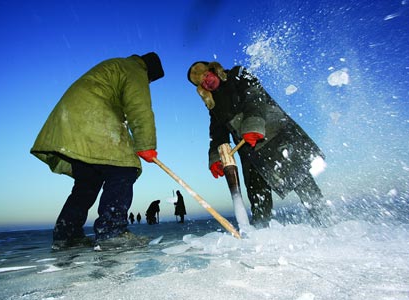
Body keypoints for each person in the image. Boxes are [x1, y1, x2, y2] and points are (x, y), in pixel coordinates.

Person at [31, 52, 164, 250]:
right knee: (124, 169)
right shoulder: (135, 70)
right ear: (149, 72)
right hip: (93, 116)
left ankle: (67, 235)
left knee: (88, 182)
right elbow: (139, 106)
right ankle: (112, 231)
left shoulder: (116, 66)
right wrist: (146, 144)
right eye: (150, 80)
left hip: (73, 120)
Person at [187, 61, 330, 227]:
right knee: (257, 195)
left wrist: (252, 125)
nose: (207, 82)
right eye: (202, 83)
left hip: (275, 137)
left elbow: (255, 97)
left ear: (214, 70)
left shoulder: (238, 74)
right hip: (249, 151)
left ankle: (325, 221)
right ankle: (261, 234)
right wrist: (216, 157)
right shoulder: (214, 105)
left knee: (300, 180)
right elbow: (217, 132)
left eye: (206, 76)